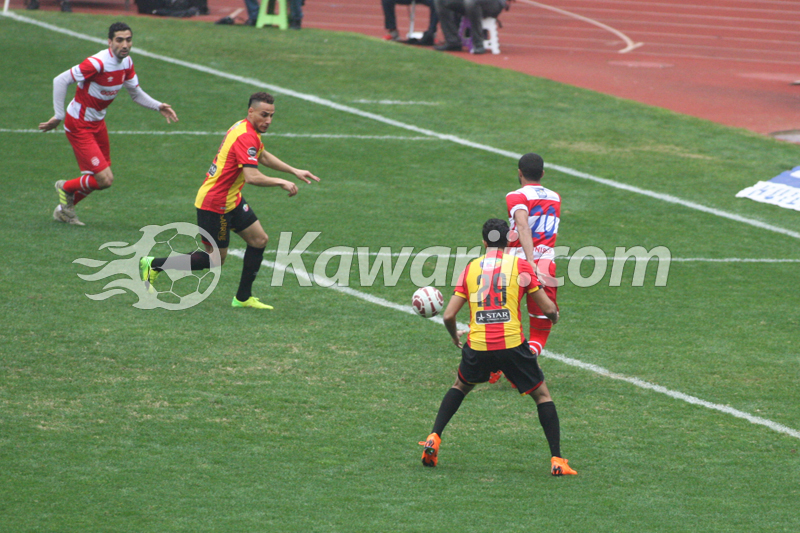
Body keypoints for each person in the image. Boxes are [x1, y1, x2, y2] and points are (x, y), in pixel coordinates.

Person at [418, 219, 576, 476]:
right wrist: (555, 316)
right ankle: (557, 460)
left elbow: (448, 316)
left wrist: (454, 337)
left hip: (478, 344)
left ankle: (434, 436)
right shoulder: (520, 266)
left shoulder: (471, 268)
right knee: (543, 397)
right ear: (510, 239)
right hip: (511, 345)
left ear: (483, 242)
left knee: (459, 387)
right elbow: (547, 309)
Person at [140, 92, 320, 309]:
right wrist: (280, 182)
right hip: (214, 204)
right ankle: (154, 265)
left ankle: (243, 298)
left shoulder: (247, 129)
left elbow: (262, 156)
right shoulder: (245, 136)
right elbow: (252, 177)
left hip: (231, 200)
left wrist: (293, 170)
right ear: (251, 111)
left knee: (259, 240)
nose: (269, 121)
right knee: (214, 260)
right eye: (264, 115)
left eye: (272, 116)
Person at [40, 22, 179, 226]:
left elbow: (135, 93)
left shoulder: (127, 63)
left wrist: (158, 106)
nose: (125, 44)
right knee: (104, 179)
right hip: (79, 124)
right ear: (109, 42)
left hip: (97, 123)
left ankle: (63, 210)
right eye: (119, 40)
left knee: (100, 179)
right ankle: (66, 188)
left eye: (128, 40)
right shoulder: (97, 63)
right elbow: (60, 80)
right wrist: (58, 116)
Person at [433, 0, 507, 54]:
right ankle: (452, 41)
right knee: (441, 1)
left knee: (471, 2)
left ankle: (478, 44)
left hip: (494, 3)